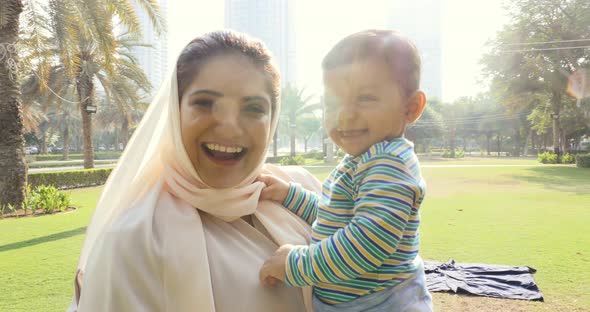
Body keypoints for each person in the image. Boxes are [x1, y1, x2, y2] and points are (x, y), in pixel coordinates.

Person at [67, 30, 321, 312]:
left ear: (272, 119)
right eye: (204, 103)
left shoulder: (303, 190)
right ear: (175, 112)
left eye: (253, 108)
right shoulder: (136, 240)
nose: (229, 127)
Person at [258, 29, 433, 311]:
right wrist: (291, 195)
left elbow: (365, 245)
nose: (344, 115)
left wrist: (293, 264)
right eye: (332, 103)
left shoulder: (390, 163)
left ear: (410, 108)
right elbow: (337, 217)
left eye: (364, 98)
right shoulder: (363, 160)